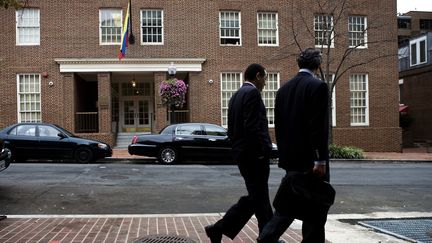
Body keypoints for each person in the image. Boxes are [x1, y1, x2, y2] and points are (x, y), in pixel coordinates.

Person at [258, 48, 330, 243]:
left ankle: (266, 238)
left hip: (290, 158)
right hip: (311, 161)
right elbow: (318, 128)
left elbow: (279, 126)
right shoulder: (318, 87)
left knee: (287, 205)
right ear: (318, 65)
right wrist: (320, 159)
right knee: (315, 210)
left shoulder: (283, 89)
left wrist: (285, 154)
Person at [204, 63, 273, 243]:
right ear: (258, 76)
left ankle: (266, 235)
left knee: (259, 197)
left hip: (243, 155)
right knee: (258, 196)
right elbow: (254, 127)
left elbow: (233, 129)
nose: (265, 82)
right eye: (265, 78)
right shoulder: (252, 94)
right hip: (254, 156)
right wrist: (265, 150)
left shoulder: (236, 95)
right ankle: (218, 228)